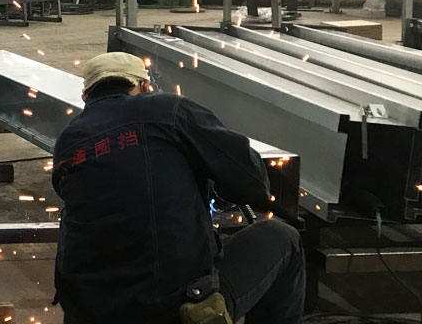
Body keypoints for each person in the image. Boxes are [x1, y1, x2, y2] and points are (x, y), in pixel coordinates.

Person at [52, 52, 304, 324]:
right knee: (282, 237)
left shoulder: (67, 141)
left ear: (85, 97)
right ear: (145, 87)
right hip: (174, 310)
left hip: (90, 312)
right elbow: (252, 182)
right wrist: (217, 186)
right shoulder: (170, 110)